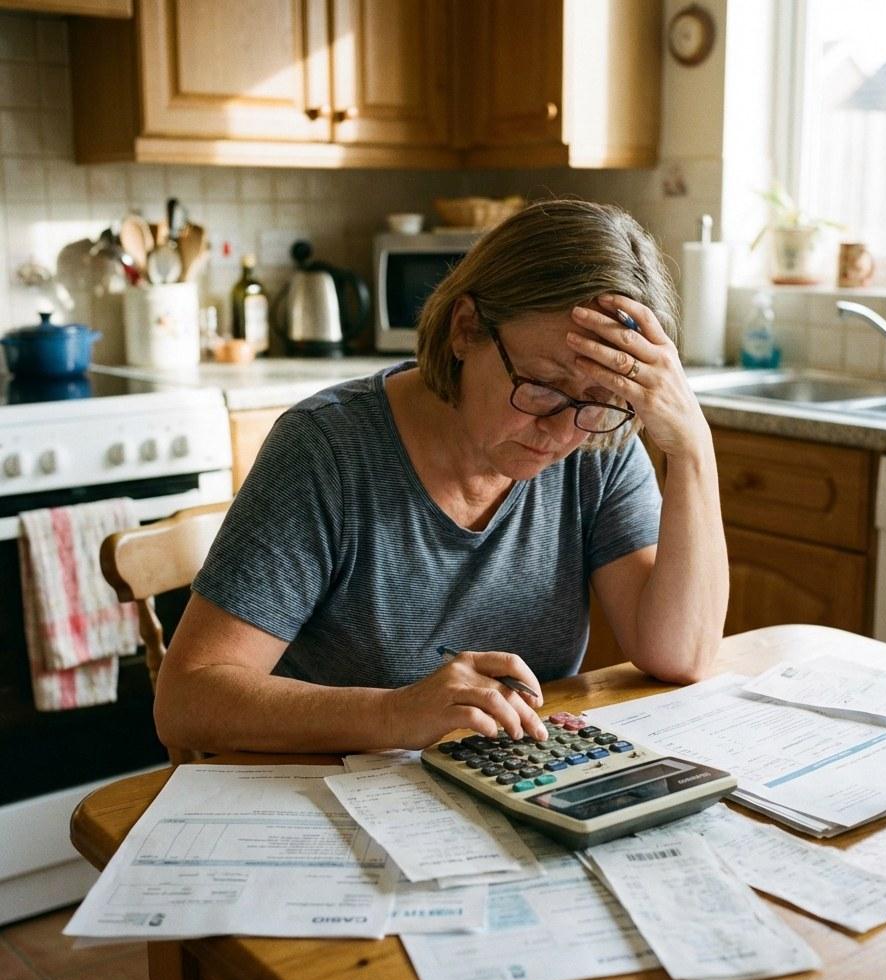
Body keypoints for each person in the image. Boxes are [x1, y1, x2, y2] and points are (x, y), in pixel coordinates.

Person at [155, 199, 729, 755]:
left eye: (599, 399)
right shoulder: (325, 449)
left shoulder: (597, 442)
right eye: (541, 386)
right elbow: (186, 699)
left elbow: (680, 655)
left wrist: (692, 447)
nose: (562, 432)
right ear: (466, 328)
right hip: (326, 789)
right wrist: (395, 714)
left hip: (509, 784)